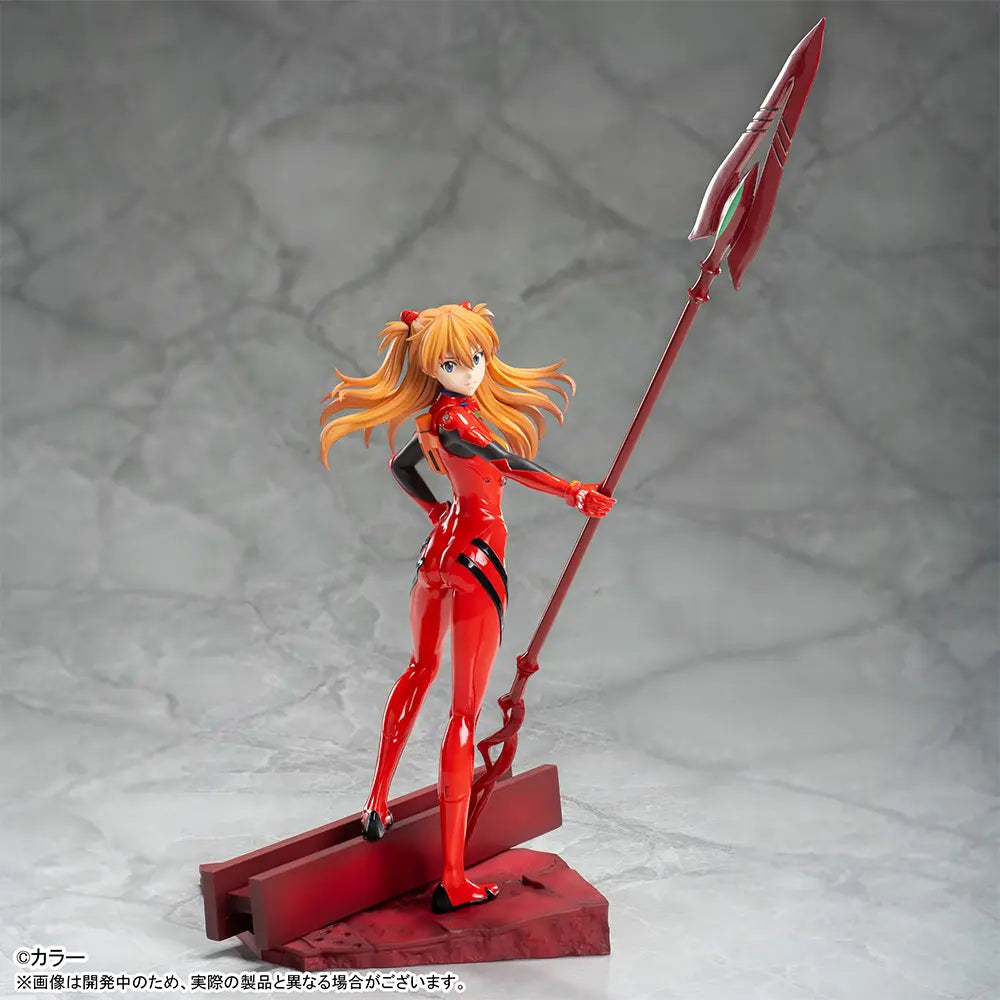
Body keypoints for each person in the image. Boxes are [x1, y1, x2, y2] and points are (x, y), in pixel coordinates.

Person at [320, 301, 614, 912]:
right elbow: (503, 462)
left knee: (419, 669)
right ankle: (452, 880)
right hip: (476, 561)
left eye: (476, 356)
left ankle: (376, 801)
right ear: (432, 367)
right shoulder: (457, 422)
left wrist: (436, 510)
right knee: (463, 712)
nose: (471, 369)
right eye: (454, 362)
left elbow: (402, 465)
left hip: (436, 555)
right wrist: (574, 492)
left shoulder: (433, 418)